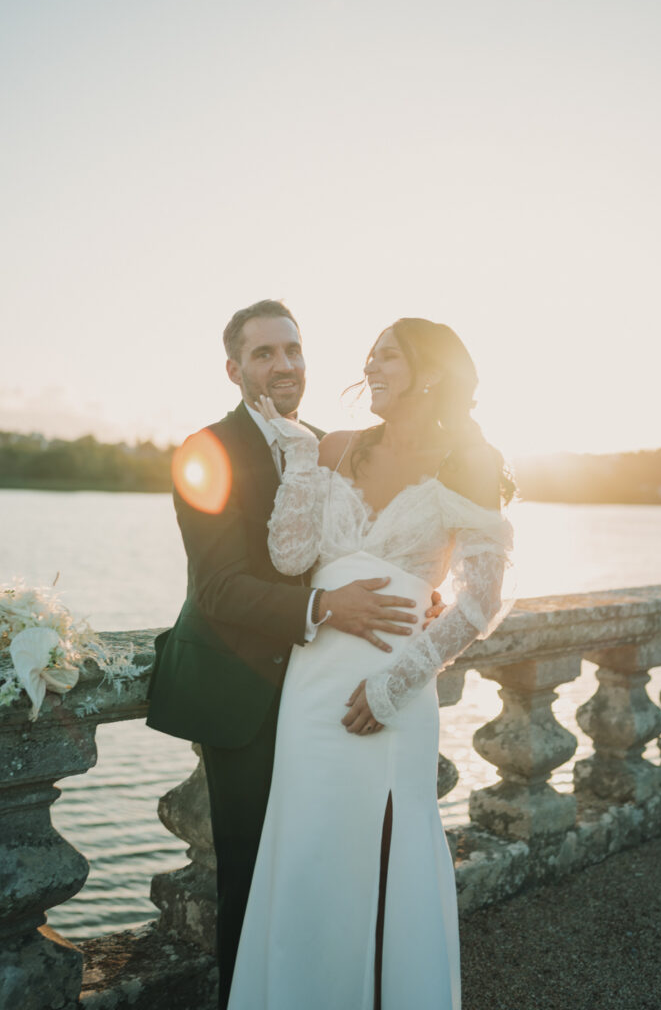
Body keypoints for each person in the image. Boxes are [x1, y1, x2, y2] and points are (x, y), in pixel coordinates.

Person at [146, 300, 438, 1009]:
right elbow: (217, 586)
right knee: (252, 878)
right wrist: (324, 606)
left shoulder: (332, 446)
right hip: (240, 689)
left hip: (320, 689)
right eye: (265, 354)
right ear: (234, 368)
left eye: (294, 351)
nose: (284, 366)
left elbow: (352, 542)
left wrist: (416, 586)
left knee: (318, 872)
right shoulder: (204, 450)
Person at [227, 317, 514, 1010]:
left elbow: (478, 603)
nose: (371, 367)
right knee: (306, 857)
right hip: (313, 688)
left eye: (388, 356)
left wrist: (393, 685)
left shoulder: (468, 462)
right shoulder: (333, 447)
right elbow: (292, 559)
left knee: (388, 861)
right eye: (371, 356)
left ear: (432, 373)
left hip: (392, 693)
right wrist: (298, 459)